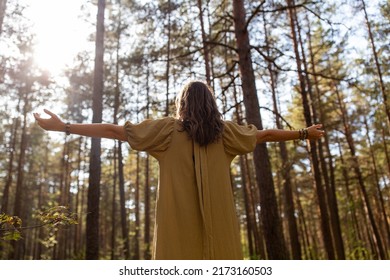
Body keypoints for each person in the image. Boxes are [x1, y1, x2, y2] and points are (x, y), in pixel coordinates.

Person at [34, 80, 325, 260]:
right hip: (220, 241)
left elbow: (114, 130)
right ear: (211, 104)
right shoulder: (225, 134)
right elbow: (266, 135)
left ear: (181, 104)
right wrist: (302, 133)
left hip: (176, 241)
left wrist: (65, 126)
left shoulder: (166, 131)